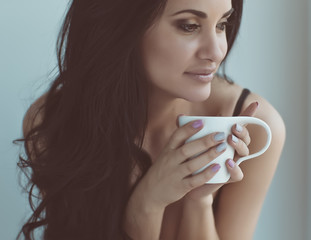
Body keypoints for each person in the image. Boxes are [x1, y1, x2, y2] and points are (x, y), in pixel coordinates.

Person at [18, 0, 285, 239]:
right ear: (121, 27)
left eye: (222, 24)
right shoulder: (52, 123)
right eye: (189, 26)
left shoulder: (256, 127)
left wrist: (199, 201)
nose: (216, 51)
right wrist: (146, 207)